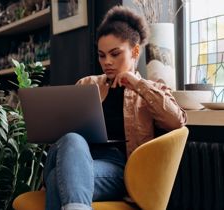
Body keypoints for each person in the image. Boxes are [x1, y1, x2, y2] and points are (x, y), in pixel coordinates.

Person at [43, 5, 187, 210]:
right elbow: (63, 130)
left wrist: (137, 84)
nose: (107, 62)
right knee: (72, 139)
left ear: (135, 51)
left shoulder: (151, 90)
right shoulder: (87, 84)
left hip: (118, 169)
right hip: (75, 156)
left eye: (115, 53)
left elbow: (177, 121)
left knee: (56, 180)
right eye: (102, 55)